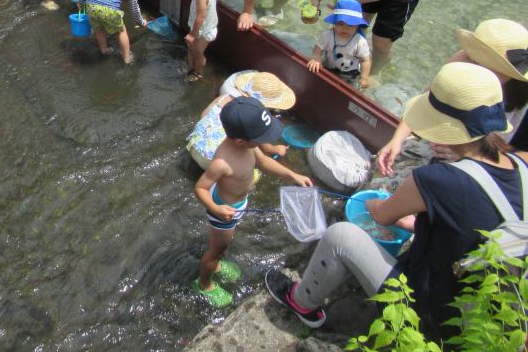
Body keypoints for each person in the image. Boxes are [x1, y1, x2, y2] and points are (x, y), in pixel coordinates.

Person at [265, 62, 524, 341]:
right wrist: (414, 223)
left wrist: (372, 205)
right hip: (482, 320)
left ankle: (301, 302)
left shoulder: (437, 179)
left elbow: (381, 216)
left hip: (429, 315)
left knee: (340, 235)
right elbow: (470, 229)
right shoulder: (521, 165)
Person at [195, 96, 313, 308]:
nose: (265, 141)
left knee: (223, 246)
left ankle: (218, 264)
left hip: (237, 205)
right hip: (223, 211)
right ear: (241, 140)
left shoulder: (249, 146)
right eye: (261, 137)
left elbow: (265, 161)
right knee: (215, 250)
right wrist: (217, 209)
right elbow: (200, 188)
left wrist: (293, 175)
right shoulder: (222, 163)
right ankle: (204, 284)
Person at [377, 19, 528, 172]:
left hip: (485, 165)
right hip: (437, 141)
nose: (478, 69)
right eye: (477, 61)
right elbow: (426, 102)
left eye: (490, 66)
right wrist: (397, 139)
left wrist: (471, 154)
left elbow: (521, 159)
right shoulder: (464, 60)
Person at [186, 71, 295, 170]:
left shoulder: (224, 98)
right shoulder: (253, 118)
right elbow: (265, 149)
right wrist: (276, 149)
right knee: (249, 166)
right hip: (214, 163)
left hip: (194, 145)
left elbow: (203, 115)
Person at [307, 0, 372, 88]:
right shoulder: (327, 35)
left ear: (357, 25)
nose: (345, 28)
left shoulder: (360, 41)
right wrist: (316, 58)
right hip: (328, 68)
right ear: (334, 22)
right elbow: (317, 48)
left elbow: (365, 60)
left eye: (351, 25)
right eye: (341, 23)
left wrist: (364, 77)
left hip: (350, 73)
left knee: (349, 89)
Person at [177, 0, 219, 82]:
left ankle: (197, 73)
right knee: (191, 49)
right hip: (207, 26)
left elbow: (200, 16)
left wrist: (192, 34)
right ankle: (190, 67)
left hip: (203, 30)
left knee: (198, 52)